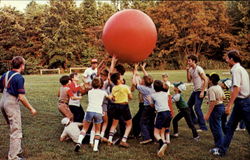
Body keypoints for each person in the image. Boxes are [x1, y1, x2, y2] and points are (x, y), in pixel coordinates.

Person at [211, 50, 250, 156]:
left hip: (243, 103)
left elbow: (236, 88)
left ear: (232, 59)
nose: (226, 60)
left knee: (233, 126)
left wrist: (229, 105)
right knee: (230, 126)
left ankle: (221, 150)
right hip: (242, 102)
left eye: (227, 58)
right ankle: (222, 150)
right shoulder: (240, 68)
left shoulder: (236, 70)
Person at [0, 56, 37, 160]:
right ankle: (13, 156)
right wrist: (31, 108)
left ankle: (17, 149)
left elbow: (1, 89)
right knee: (16, 129)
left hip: (3, 101)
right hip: (11, 104)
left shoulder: (5, 74)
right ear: (22, 66)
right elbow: (21, 97)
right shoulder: (19, 77)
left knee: (13, 127)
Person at [75, 78, 110, 152]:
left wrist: (82, 86)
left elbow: (80, 93)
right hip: (98, 112)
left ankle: (79, 142)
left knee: (84, 129)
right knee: (97, 131)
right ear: (101, 85)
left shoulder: (89, 91)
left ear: (92, 84)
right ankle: (95, 147)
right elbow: (110, 98)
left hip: (89, 111)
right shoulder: (103, 92)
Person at [132, 63, 155, 144]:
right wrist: (143, 69)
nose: (141, 80)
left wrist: (135, 70)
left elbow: (134, 83)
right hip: (153, 107)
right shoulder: (152, 86)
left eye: (142, 80)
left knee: (142, 122)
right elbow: (148, 76)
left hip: (147, 107)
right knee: (151, 122)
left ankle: (146, 138)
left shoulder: (144, 88)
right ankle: (153, 138)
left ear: (144, 82)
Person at [107, 73, 133, 148]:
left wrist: (112, 98)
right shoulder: (125, 87)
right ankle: (123, 140)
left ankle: (109, 139)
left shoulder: (114, 88)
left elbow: (112, 97)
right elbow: (130, 97)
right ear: (118, 80)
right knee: (129, 124)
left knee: (114, 124)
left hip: (116, 106)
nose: (122, 78)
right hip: (124, 106)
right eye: (121, 77)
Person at [148, 80, 172, 157]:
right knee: (163, 130)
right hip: (168, 113)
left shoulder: (153, 95)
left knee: (155, 133)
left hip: (161, 114)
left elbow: (152, 106)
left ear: (154, 88)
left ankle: (162, 143)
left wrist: (149, 100)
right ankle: (163, 145)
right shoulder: (165, 94)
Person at [204, 74, 225, 152]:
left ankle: (219, 146)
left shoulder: (211, 89)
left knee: (216, 127)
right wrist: (213, 100)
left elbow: (213, 102)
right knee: (217, 126)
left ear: (211, 80)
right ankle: (219, 143)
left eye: (208, 79)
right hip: (221, 106)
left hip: (216, 109)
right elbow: (223, 97)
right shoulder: (219, 87)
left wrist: (207, 114)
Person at [186, 55, 208, 131]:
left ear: (194, 61)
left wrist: (202, 91)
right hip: (195, 91)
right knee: (188, 106)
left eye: (189, 61)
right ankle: (195, 120)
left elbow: (206, 79)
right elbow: (189, 80)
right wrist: (187, 71)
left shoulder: (199, 69)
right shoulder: (191, 70)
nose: (188, 62)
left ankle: (203, 127)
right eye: (188, 61)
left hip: (200, 90)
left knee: (197, 108)